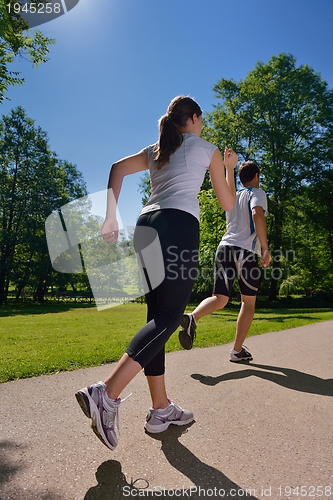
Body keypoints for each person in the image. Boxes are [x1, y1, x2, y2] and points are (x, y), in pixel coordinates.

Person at [75, 96, 238, 450]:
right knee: (169, 316)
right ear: (193, 118)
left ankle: (160, 408)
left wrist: (110, 215)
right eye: (201, 119)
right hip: (178, 224)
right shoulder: (205, 148)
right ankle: (106, 393)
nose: (202, 125)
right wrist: (230, 168)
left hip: (146, 225)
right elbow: (228, 203)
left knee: (156, 318)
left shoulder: (157, 147)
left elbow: (117, 167)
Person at [179, 160, 270, 362]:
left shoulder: (233, 197)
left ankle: (193, 317)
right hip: (245, 252)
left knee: (220, 297)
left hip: (224, 249)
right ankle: (237, 350)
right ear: (256, 176)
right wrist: (265, 247)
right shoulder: (258, 193)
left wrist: (229, 168)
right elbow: (257, 214)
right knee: (248, 302)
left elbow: (229, 189)